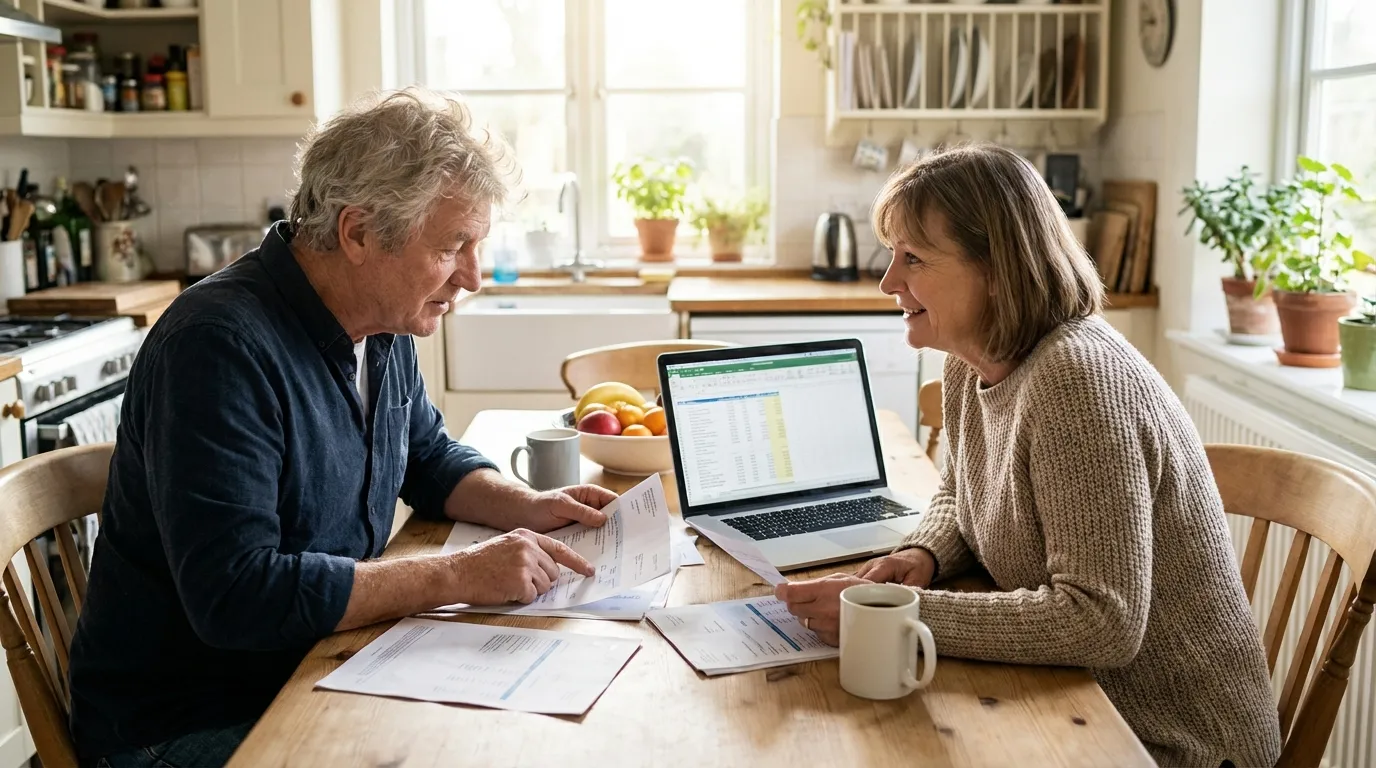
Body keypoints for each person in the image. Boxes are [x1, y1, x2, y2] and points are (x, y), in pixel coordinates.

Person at [67, 88, 617, 768]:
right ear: (357, 233)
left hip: (315, 666)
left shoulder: (382, 321)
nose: (472, 275)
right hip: (185, 724)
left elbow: (426, 456)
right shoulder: (216, 347)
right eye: (453, 246)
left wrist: (529, 506)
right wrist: (453, 576)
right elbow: (236, 596)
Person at [774, 144, 1281, 767]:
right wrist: (924, 554)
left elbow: (1102, 619)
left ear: (996, 268)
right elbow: (961, 492)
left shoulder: (1079, 381)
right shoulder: (968, 362)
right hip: (1077, 700)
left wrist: (901, 615)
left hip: (1172, 741)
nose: (888, 282)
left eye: (913, 259)